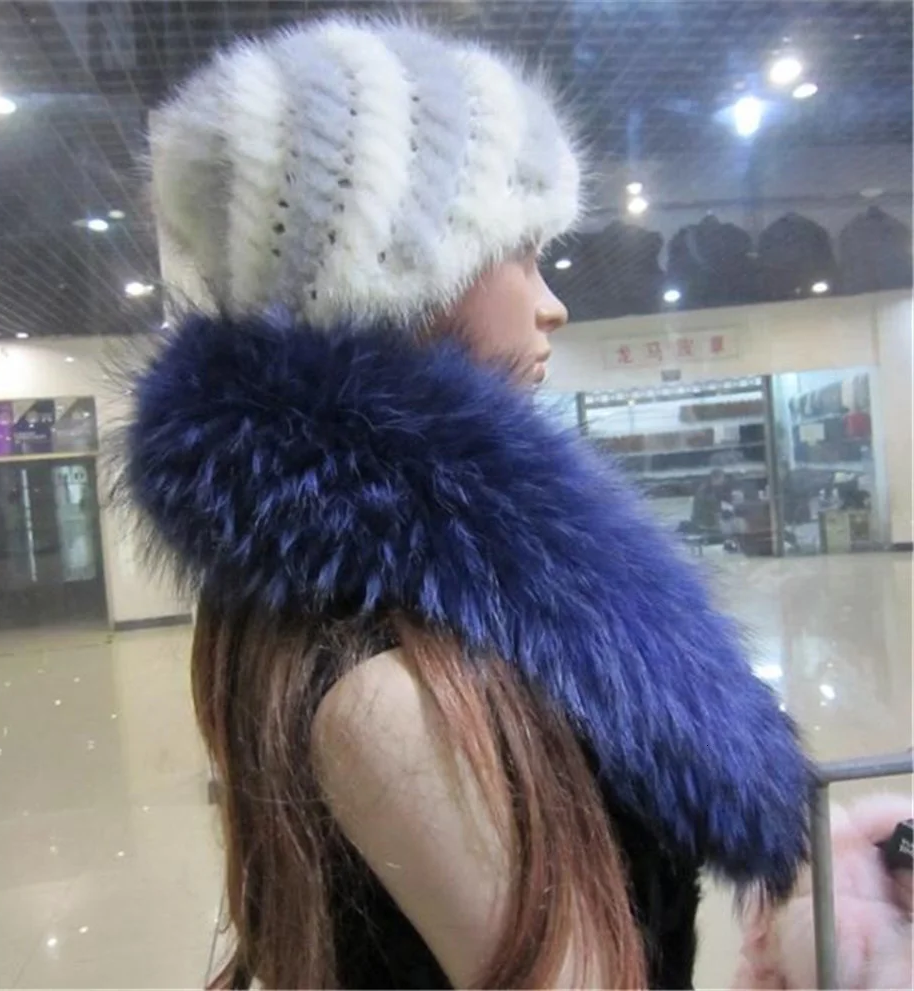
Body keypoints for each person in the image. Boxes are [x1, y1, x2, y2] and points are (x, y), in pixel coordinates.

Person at [121, 18, 812, 990]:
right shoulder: (387, 688)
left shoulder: (431, 612)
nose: (551, 302)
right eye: (522, 252)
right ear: (401, 268)